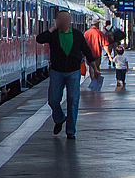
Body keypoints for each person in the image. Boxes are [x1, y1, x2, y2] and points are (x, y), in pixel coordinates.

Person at [37, 10, 100, 139]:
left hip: (73, 72)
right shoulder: (53, 35)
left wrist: (95, 68)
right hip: (56, 71)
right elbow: (39, 39)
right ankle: (59, 118)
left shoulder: (77, 35)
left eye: (66, 20)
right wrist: (52, 29)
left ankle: (71, 131)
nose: (64, 22)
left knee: (73, 100)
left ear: (70, 21)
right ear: (57, 21)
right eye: (61, 20)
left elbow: (87, 51)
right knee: (53, 100)